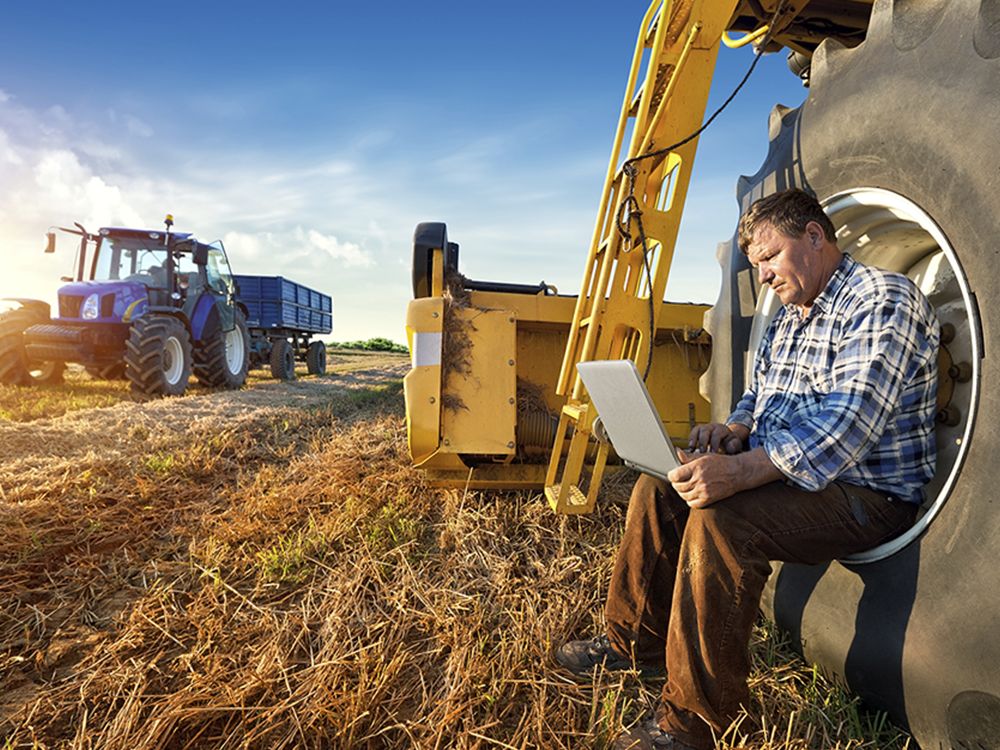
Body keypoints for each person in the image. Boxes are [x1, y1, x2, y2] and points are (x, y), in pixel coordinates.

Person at [554, 189, 940, 750]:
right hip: (799, 478)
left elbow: (847, 429)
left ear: (813, 236)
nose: (761, 275)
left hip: (866, 492)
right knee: (660, 486)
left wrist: (737, 474)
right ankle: (629, 643)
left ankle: (695, 723)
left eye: (769, 256)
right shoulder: (789, 317)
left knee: (720, 520)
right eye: (755, 263)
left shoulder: (882, 300)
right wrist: (733, 431)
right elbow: (760, 397)